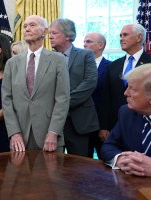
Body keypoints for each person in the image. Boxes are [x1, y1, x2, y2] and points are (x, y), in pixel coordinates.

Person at [2, 15, 70, 152]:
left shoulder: (58, 60)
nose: (27, 29)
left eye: (32, 25)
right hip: (19, 137)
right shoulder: (12, 63)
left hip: (49, 136)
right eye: (25, 26)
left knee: (51, 174)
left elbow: (62, 99)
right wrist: (14, 132)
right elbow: (6, 100)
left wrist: (53, 132)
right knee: (18, 174)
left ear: (45, 32)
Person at [101, 63, 151, 180]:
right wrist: (121, 159)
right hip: (134, 189)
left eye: (132, 89)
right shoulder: (126, 112)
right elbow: (109, 145)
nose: (125, 93)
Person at [99, 23, 151, 142]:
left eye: (125, 35)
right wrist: (104, 126)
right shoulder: (113, 65)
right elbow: (106, 97)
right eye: (120, 35)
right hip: (115, 125)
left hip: (147, 124)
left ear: (138, 37)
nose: (121, 38)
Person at [49, 18, 98, 157]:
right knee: (52, 165)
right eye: (49, 33)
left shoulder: (85, 55)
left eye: (54, 33)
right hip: (53, 123)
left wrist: (63, 104)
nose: (50, 36)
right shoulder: (48, 58)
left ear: (68, 36)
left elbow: (90, 82)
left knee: (80, 168)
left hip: (79, 121)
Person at [83, 32, 111, 158]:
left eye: (88, 42)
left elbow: (111, 98)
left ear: (100, 45)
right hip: (82, 125)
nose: (84, 45)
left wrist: (106, 126)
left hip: (102, 125)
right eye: (84, 42)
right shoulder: (79, 66)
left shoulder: (111, 67)